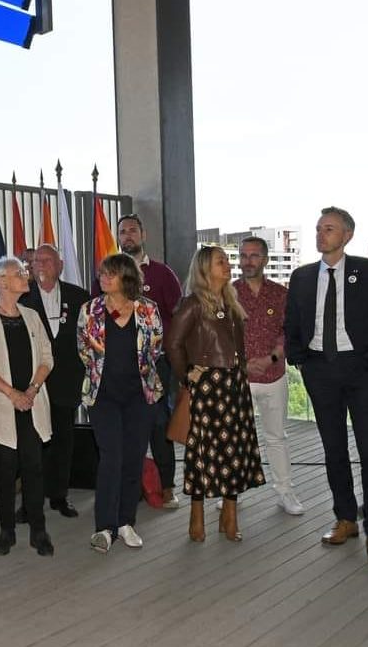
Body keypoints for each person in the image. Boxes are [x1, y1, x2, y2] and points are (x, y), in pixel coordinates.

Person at [285, 207, 368, 570]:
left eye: (329, 229)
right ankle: (345, 518)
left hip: (361, 371)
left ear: (347, 235)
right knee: (333, 448)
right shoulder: (302, 276)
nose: (321, 234)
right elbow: (292, 324)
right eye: (318, 229)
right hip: (320, 370)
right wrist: (299, 359)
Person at [168, 246, 266, 542]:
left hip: (235, 385)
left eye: (227, 260)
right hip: (208, 388)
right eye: (220, 261)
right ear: (204, 269)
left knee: (235, 451)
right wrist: (187, 375)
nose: (228, 265)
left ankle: (230, 514)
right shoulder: (193, 303)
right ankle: (196, 516)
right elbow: (172, 344)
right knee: (201, 453)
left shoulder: (231, 302)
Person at [78, 253, 164, 553]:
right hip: (103, 397)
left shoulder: (148, 309)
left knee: (133, 457)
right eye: (101, 273)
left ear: (126, 277)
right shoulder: (90, 310)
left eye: (110, 273)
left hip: (140, 396)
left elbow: (155, 348)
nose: (103, 278)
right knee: (111, 456)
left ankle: (126, 521)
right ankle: (104, 527)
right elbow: (84, 351)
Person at [0, 256, 55, 556]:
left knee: (34, 468)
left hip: (31, 404)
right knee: (5, 471)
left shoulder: (31, 315)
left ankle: (38, 530)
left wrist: (30, 390)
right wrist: (12, 393)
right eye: (20, 272)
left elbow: (47, 356)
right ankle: (6, 531)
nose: (26, 275)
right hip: (2, 405)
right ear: (2, 281)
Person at [233, 237, 305, 515]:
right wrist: (244, 364)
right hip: (240, 378)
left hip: (274, 376)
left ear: (264, 259)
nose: (247, 261)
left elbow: (288, 332)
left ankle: (285, 492)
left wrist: (271, 358)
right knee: (237, 436)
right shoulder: (228, 294)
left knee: (276, 437)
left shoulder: (280, 294)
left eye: (254, 256)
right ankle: (232, 493)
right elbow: (222, 337)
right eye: (243, 255)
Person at [117, 213, 183, 508]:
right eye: (123, 231)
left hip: (156, 364)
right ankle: (129, 487)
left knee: (159, 424)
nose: (128, 235)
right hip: (120, 367)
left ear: (143, 236)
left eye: (133, 230)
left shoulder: (162, 274)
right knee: (125, 428)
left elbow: (178, 317)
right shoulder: (108, 273)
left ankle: (167, 485)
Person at [19, 244, 88, 519]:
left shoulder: (80, 296)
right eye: (37, 261)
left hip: (66, 383)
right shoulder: (21, 298)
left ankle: (59, 496)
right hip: (32, 385)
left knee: (63, 442)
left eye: (48, 260)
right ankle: (29, 503)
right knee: (30, 445)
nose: (42, 265)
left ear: (60, 265)